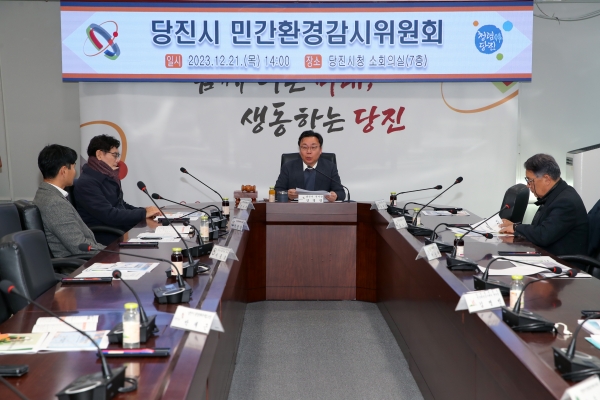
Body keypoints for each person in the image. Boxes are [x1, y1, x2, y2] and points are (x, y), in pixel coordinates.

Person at [74, 134, 160, 245]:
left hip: (118, 230)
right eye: (115, 155)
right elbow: (109, 215)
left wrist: (147, 211)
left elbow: (121, 205)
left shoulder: (108, 177)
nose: (118, 160)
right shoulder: (87, 183)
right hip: (104, 239)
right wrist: (143, 213)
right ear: (99, 154)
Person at [499, 153, 588, 256]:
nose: (528, 185)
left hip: (563, 262)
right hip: (549, 255)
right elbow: (541, 228)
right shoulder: (555, 195)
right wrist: (515, 226)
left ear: (547, 179)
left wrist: (516, 228)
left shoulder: (566, 201)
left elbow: (543, 235)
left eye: (530, 180)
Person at [33, 144, 105, 257]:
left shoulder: (46, 194)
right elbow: (79, 246)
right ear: (64, 171)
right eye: (73, 167)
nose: (75, 172)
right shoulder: (54, 203)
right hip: (78, 263)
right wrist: (114, 252)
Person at [274, 130, 345, 202]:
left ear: (320, 150)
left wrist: (335, 196)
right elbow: (276, 191)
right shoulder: (288, 167)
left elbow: (341, 193)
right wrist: (287, 194)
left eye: (313, 147)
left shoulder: (330, 167)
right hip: (295, 208)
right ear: (300, 150)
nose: (308, 152)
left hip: (322, 208)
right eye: (304, 147)